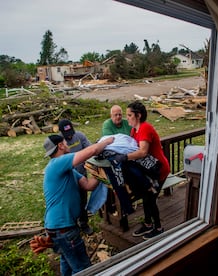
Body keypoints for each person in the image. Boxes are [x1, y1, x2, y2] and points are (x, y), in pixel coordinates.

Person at [42, 134, 114, 275]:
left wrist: (101, 170)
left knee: (68, 266)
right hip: (63, 229)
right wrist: (106, 142)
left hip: (60, 229)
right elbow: (91, 151)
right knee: (83, 269)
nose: (67, 143)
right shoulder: (58, 163)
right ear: (61, 146)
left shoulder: (68, 171)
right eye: (65, 141)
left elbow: (89, 185)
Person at [113, 101, 170, 240]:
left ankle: (158, 227)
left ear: (138, 115)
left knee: (150, 199)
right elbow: (132, 147)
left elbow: (143, 152)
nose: (127, 118)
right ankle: (148, 224)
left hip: (158, 169)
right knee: (146, 197)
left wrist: (124, 157)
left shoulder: (145, 128)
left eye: (129, 115)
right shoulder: (134, 130)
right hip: (147, 170)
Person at [58, 119, 93, 235]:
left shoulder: (79, 136)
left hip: (81, 173)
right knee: (71, 201)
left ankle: (84, 223)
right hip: (68, 176)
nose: (69, 137)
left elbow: (89, 149)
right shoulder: (59, 143)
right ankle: (72, 224)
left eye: (71, 133)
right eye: (66, 135)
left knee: (83, 200)